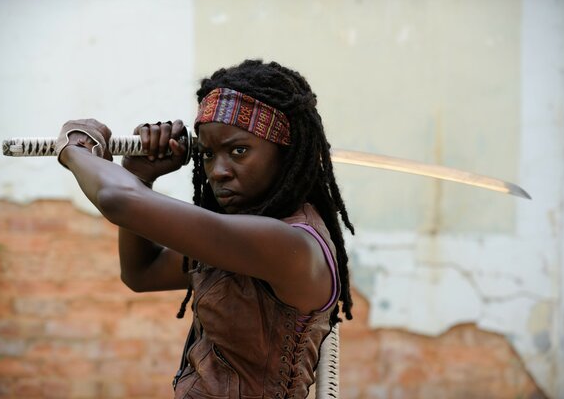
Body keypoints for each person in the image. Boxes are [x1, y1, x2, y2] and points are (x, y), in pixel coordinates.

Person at [56, 59, 354, 398]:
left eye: (238, 151)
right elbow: (142, 273)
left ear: (286, 154)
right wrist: (142, 175)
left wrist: (76, 149)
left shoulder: (290, 244)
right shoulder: (243, 235)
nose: (218, 171)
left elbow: (117, 199)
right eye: (209, 154)